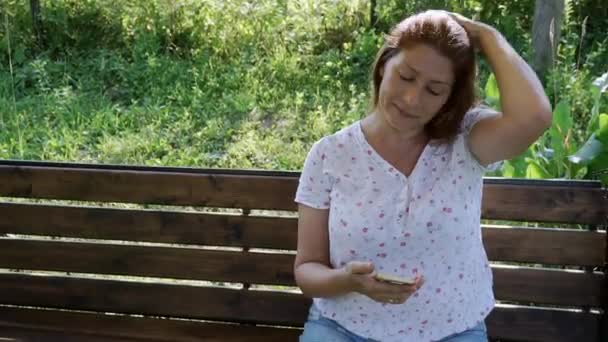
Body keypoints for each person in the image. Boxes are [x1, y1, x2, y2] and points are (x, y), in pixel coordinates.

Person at [293, 10, 552, 342]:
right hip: (344, 327)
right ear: (385, 63)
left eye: (434, 90)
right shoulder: (330, 154)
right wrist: (349, 280)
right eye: (406, 76)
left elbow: (535, 117)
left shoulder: (467, 139)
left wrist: (488, 36)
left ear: (449, 97)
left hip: (452, 329)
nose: (412, 99)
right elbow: (307, 269)